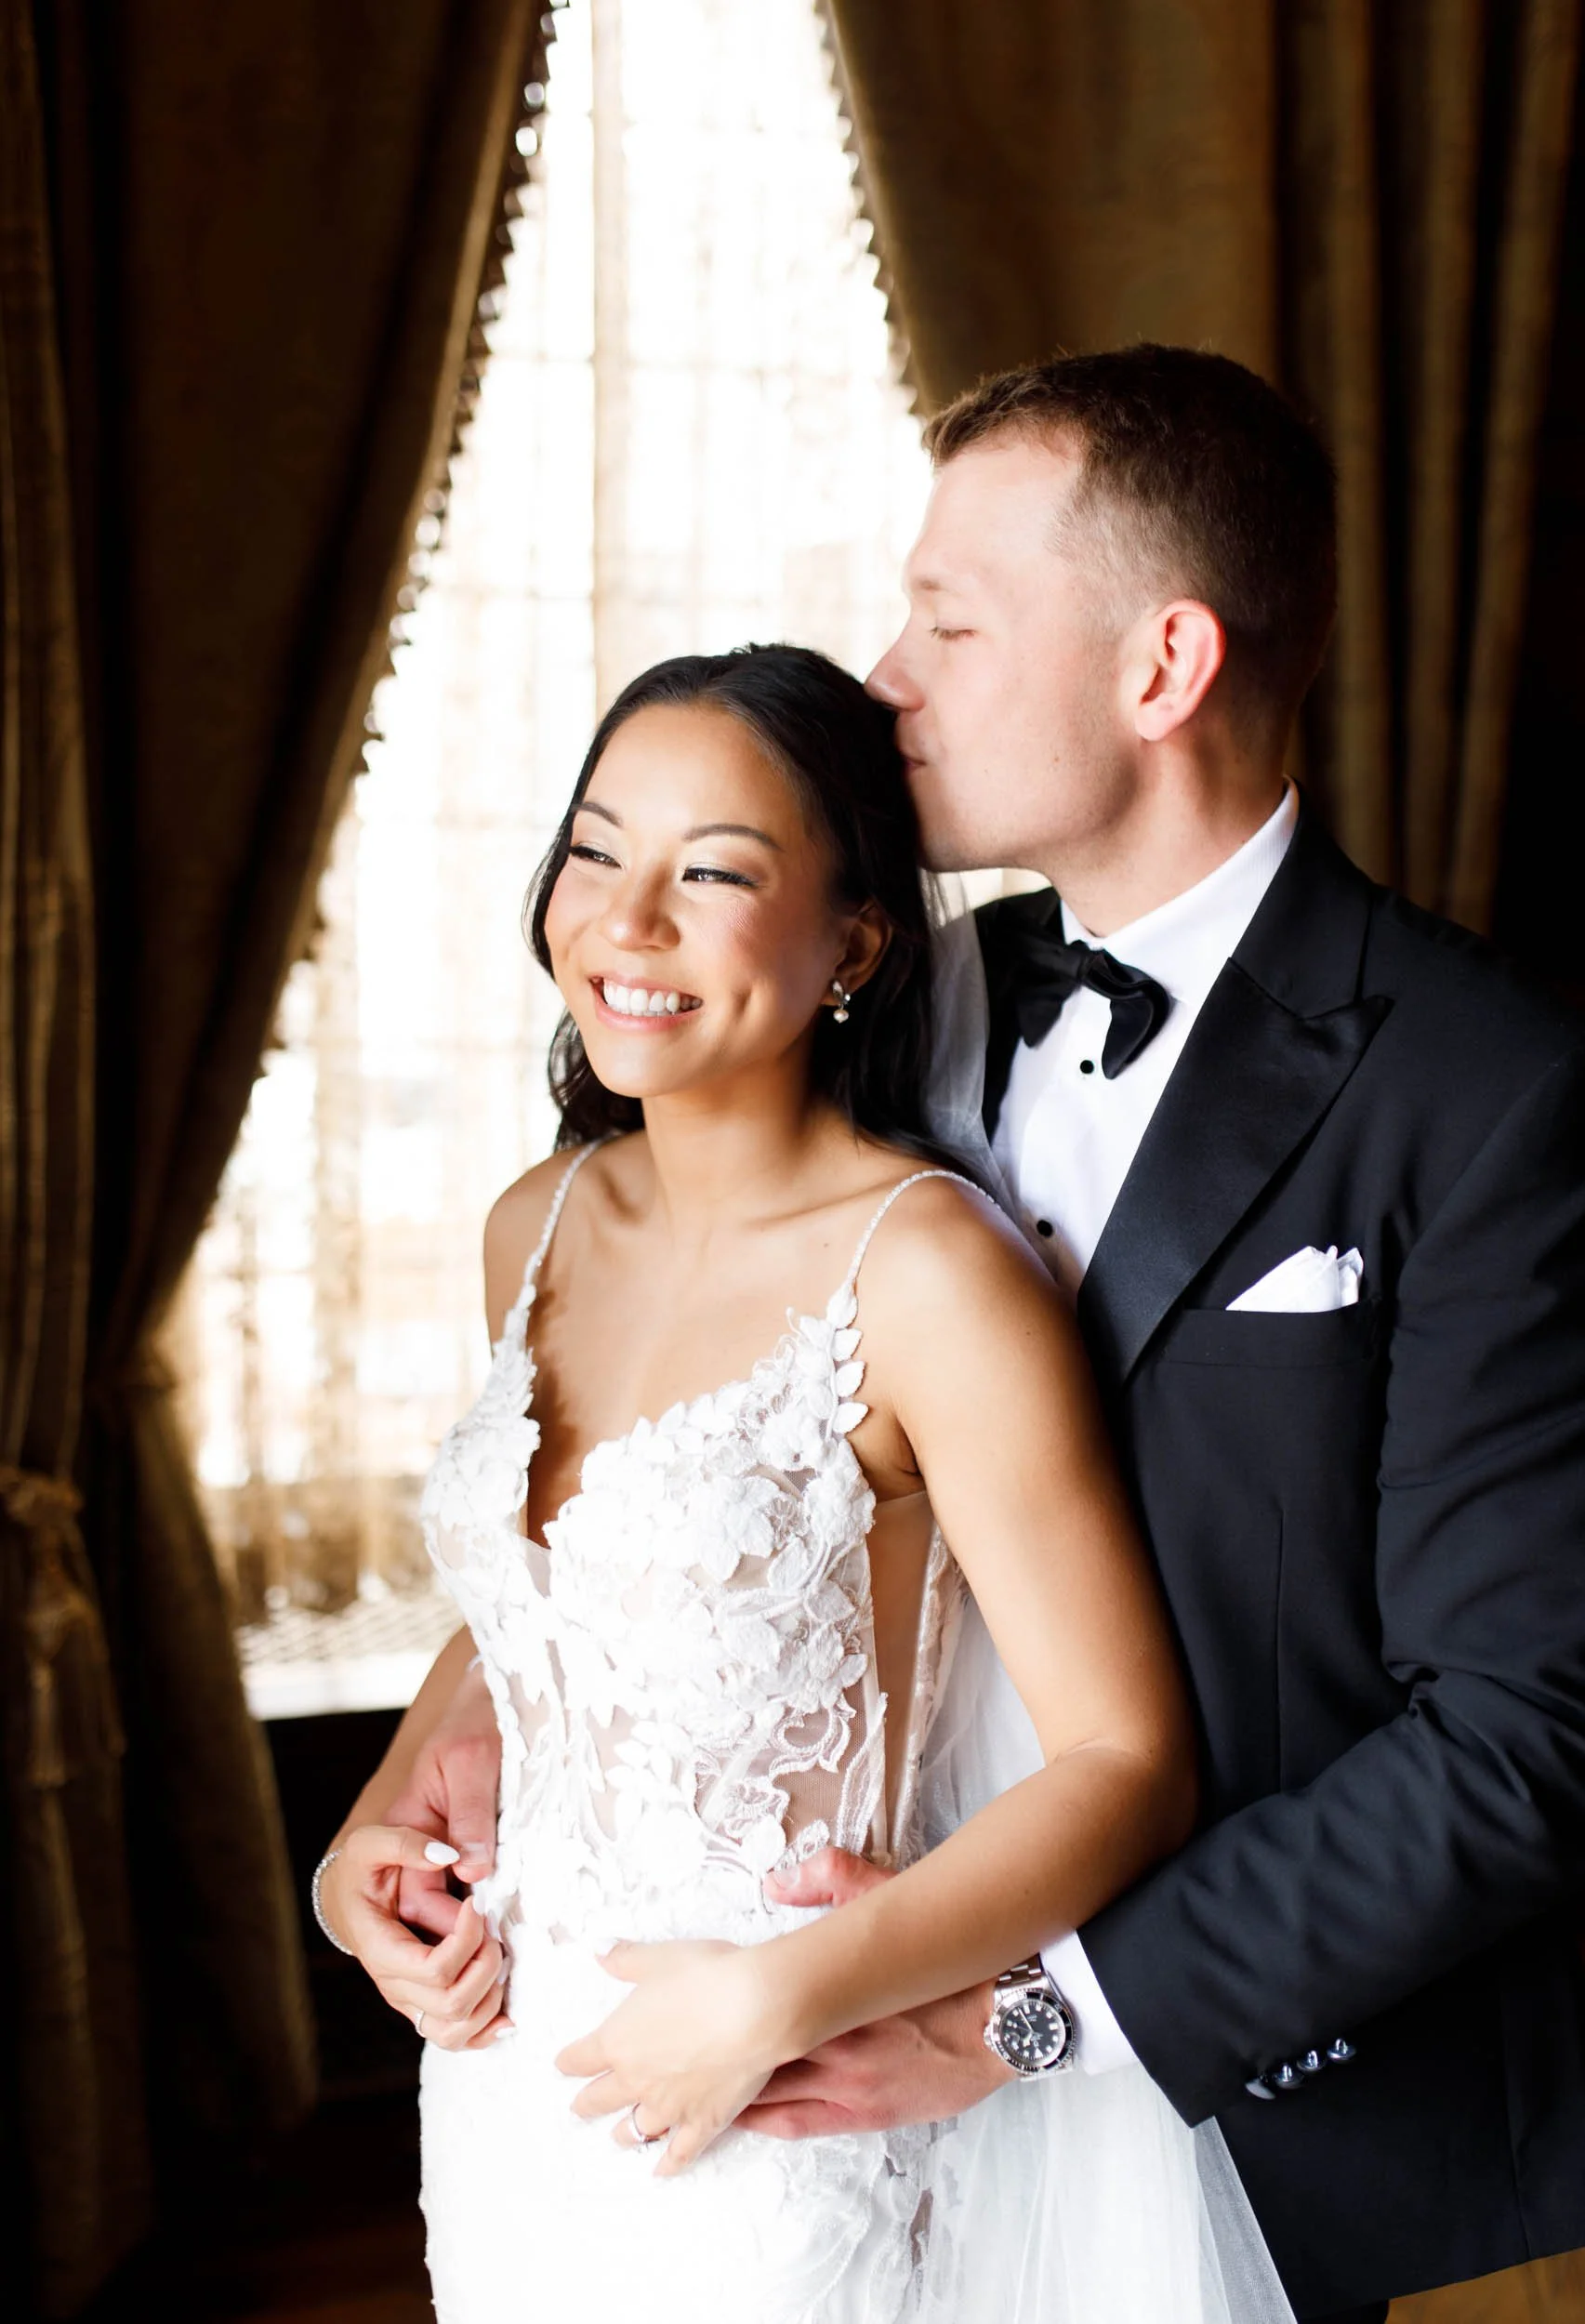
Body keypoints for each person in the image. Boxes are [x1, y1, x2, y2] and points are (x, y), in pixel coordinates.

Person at [328, 342, 1585, 2320]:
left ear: (1158, 667)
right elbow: (671, 1473)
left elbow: (1522, 1743)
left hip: (1278, 2111)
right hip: (783, 2081)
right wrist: (439, 1759)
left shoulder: (1483, 1084)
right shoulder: (869, 997)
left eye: (948, 620)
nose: (885, 677)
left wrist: (1024, 2014)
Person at [316, 641, 1292, 2322]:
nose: (627, 923)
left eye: (712, 875)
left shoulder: (925, 1275)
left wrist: (777, 1999)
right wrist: (368, 1834)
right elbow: (538, 1611)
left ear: (853, 943)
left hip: (785, 2113)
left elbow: (1129, 1764)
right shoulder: (530, 1225)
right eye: (600, 852)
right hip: (508, 2095)